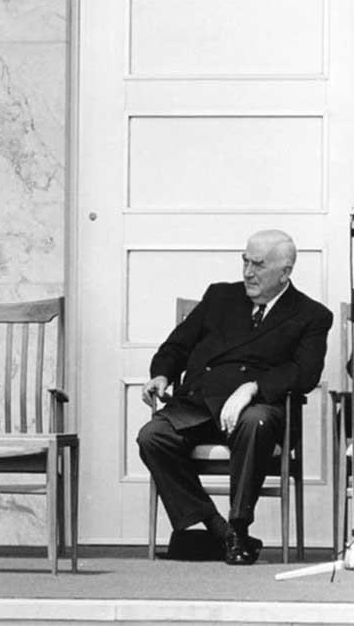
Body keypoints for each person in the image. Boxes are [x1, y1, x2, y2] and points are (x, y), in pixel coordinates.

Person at [137, 229, 332, 565]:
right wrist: (162, 374)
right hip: (200, 405)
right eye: (245, 261)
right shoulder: (220, 297)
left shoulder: (310, 315)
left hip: (260, 411)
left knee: (255, 421)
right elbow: (177, 345)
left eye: (258, 265)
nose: (247, 272)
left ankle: (240, 522)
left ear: (285, 272)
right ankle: (222, 531)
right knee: (152, 436)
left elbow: (304, 373)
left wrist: (253, 387)